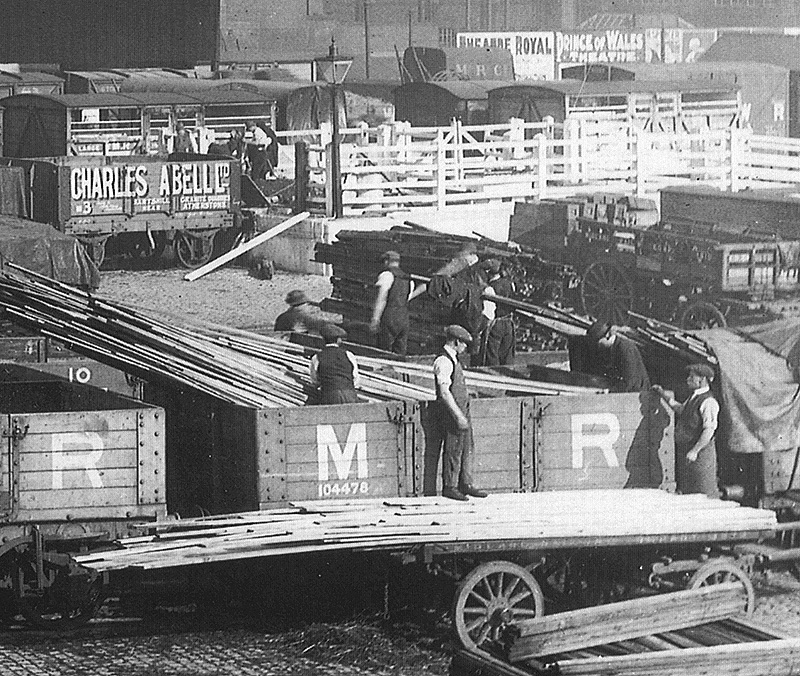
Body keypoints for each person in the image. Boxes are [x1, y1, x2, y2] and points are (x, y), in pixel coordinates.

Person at [432, 325, 487, 502]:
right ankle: (450, 486)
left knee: (466, 447)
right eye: (464, 344)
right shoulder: (444, 361)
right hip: (452, 411)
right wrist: (458, 416)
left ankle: (466, 483)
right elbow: (444, 392)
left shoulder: (453, 359)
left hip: (462, 409)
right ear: (457, 342)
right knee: (453, 448)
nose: (465, 348)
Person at [652, 363, 720, 498]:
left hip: (701, 456)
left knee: (704, 493)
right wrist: (662, 394)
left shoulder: (709, 402)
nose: (688, 379)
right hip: (689, 453)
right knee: (690, 493)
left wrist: (695, 451)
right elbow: (680, 409)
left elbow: (709, 431)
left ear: (702, 380)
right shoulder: (694, 397)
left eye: (692, 377)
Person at [586, 320, 650, 392]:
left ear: (607, 336)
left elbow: (630, 381)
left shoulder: (625, 348)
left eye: (599, 343)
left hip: (638, 394)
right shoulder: (614, 347)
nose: (598, 346)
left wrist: (609, 391)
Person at [370, 250, 413, 356]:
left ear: (386, 261)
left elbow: (381, 299)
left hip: (389, 316)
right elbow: (407, 298)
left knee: (384, 350)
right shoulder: (408, 279)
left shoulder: (386, 275)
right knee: (400, 351)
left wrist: (375, 319)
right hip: (404, 318)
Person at [309, 324, 360, 405]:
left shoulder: (316, 357)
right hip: (350, 395)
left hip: (329, 396)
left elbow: (315, 380)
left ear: (323, 339)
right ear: (338, 340)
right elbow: (355, 378)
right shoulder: (348, 355)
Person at [480, 259, 515, 366]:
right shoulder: (510, 284)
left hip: (496, 324)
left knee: (492, 355)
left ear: (487, 273)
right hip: (509, 322)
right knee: (507, 355)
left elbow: (488, 312)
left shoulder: (490, 288)